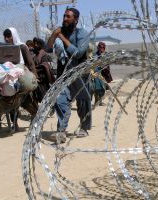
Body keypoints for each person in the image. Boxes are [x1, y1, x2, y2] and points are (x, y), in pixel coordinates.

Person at [47, 7, 91, 143]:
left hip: (80, 71)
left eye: (68, 17)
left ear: (76, 20)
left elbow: (77, 53)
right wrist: (54, 35)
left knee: (82, 101)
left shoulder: (82, 34)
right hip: (64, 73)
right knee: (60, 100)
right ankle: (61, 131)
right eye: (64, 16)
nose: (65, 19)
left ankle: (84, 126)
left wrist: (62, 37)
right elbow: (48, 49)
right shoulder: (60, 31)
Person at [3, 27, 39, 131]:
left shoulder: (22, 47)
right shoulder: (5, 48)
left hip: (23, 77)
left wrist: (34, 77)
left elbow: (30, 63)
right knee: (10, 100)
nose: (6, 39)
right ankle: (14, 124)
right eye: (5, 37)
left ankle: (35, 118)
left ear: (13, 35)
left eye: (8, 36)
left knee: (26, 100)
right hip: (11, 77)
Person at [92, 42, 113, 106]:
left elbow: (107, 63)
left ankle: (100, 101)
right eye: (101, 47)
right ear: (98, 48)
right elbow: (94, 64)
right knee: (97, 87)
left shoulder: (105, 54)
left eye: (103, 47)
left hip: (104, 73)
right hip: (97, 73)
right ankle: (96, 101)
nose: (102, 49)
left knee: (103, 88)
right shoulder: (95, 55)